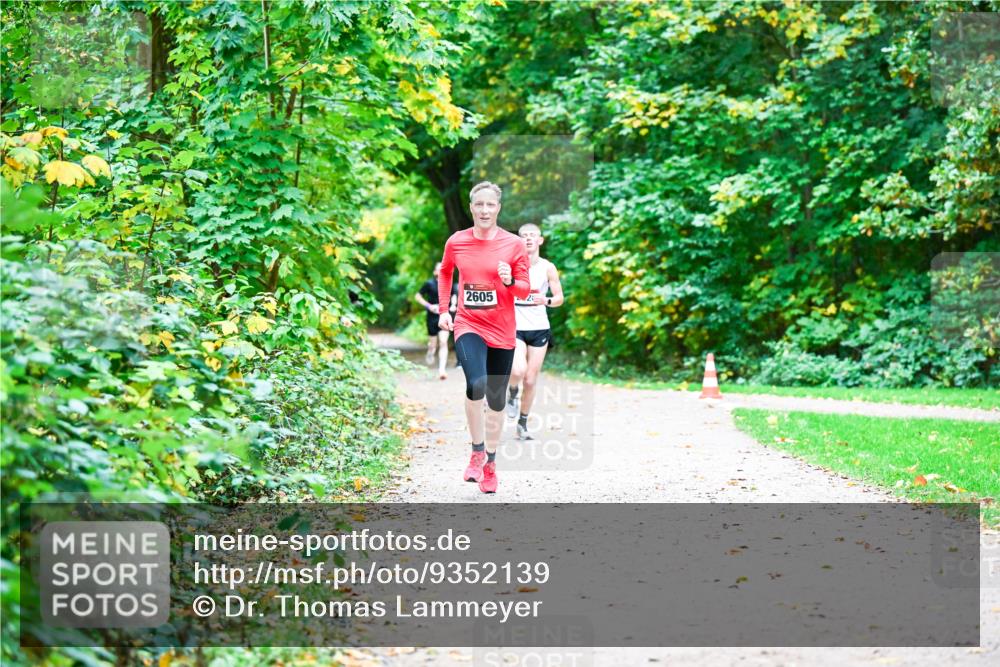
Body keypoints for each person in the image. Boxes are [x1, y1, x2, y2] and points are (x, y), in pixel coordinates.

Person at [437, 181, 530, 494]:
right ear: (471, 207)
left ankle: (490, 462)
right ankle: (476, 452)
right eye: (480, 205)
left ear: (498, 208)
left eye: (491, 205)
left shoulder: (514, 244)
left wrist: (509, 280)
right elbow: (445, 272)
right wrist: (443, 310)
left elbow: (524, 289)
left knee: (496, 398)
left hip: (502, 329)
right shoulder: (457, 241)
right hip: (468, 323)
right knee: (475, 382)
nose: (485, 210)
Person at [506, 223, 564, 439]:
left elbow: (559, 298)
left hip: (540, 328)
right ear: (519, 241)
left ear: (540, 240)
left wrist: (545, 299)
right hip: (516, 325)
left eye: (533, 235)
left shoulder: (548, 267)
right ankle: (511, 393)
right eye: (523, 236)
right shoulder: (511, 266)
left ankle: (522, 423)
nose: (528, 238)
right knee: (518, 371)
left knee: (530, 380)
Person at [415, 262, 458, 379]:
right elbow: (417, 296)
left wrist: (453, 305)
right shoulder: (429, 284)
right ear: (435, 272)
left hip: (444, 316)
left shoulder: (450, 284)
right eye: (439, 269)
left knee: (443, 342)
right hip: (432, 317)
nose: (442, 271)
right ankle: (430, 351)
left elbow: (454, 295)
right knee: (433, 345)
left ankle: (442, 370)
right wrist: (429, 306)